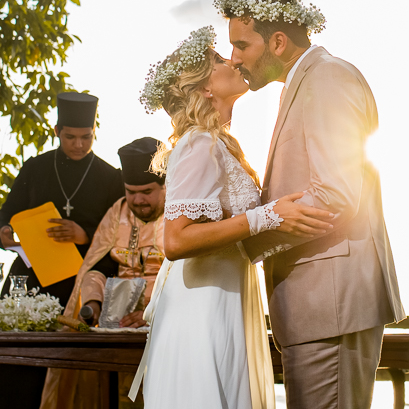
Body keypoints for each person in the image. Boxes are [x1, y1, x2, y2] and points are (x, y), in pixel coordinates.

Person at [218, 0, 407, 409]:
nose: (233, 58)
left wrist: (245, 241)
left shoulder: (327, 77)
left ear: (278, 42)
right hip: (316, 307)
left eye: (241, 44)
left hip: (331, 304)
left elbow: (335, 193)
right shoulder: (304, 82)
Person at [129, 26, 336, 409]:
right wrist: (267, 217)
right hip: (201, 309)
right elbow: (175, 241)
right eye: (220, 60)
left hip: (224, 297)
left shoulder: (217, 144)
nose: (233, 60)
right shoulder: (198, 143)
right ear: (205, 88)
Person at [0, 91, 124, 409]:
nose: (78, 144)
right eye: (70, 137)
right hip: (30, 281)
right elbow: (4, 217)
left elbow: (120, 235)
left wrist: (85, 234)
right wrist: (4, 232)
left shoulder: (108, 176)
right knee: (13, 370)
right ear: (57, 131)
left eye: (86, 137)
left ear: (94, 133)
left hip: (78, 286)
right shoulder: (35, 168)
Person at [41, 136, 168, 409]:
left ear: (165, 186)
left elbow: (184, 276)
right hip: (117, 324)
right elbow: (98, 266)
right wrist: (92, 303)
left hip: (164, 320)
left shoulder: (179, 213)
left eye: (146, 191)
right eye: (131, 191)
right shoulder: (118, 211)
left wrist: (150, 307)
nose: (137, 200)